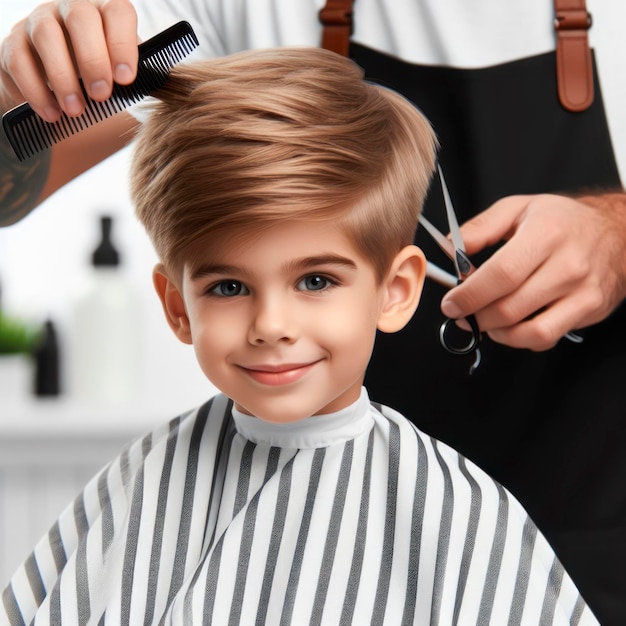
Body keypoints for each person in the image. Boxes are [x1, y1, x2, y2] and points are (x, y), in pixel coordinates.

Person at [0, 1, 625, 623]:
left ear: (397, 289)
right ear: (177, 306)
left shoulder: (470, 522)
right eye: (227, 287)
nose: (272, 325)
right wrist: (13, 88)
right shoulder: (144, 488)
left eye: (316, 279)